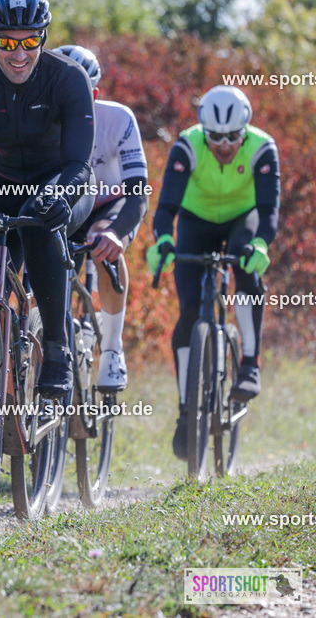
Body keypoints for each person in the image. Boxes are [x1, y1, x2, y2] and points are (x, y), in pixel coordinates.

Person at [0, 0, 96, 399]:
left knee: (39, 221)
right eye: (8, 43)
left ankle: (56, 348)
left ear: (44, 39)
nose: (20, 54)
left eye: (31, 41)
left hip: (59, 180)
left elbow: (79, 165)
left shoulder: (68, 77)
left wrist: (58, 197)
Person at [147, 85, 280, 461]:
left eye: (233, 137)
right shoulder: (187, 145)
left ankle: (250, 364)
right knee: (189, 311)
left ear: (246, 130)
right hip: (196, 219)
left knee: (245, 262)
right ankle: (187, 410)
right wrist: (162, 241)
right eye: (215, 137)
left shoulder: (263, 147)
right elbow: (166, 206)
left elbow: (269, 211)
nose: (224, 145)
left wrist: (262, 245)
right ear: (203, 131)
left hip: (243, 217)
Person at [55, 45, 149, 392]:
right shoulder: (40, 117)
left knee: (105, 242)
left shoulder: (118, 119)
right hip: (66, 203)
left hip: (108, 204)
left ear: (94, 92)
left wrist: (116, 235)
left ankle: (112, 350)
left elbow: (138, 191)